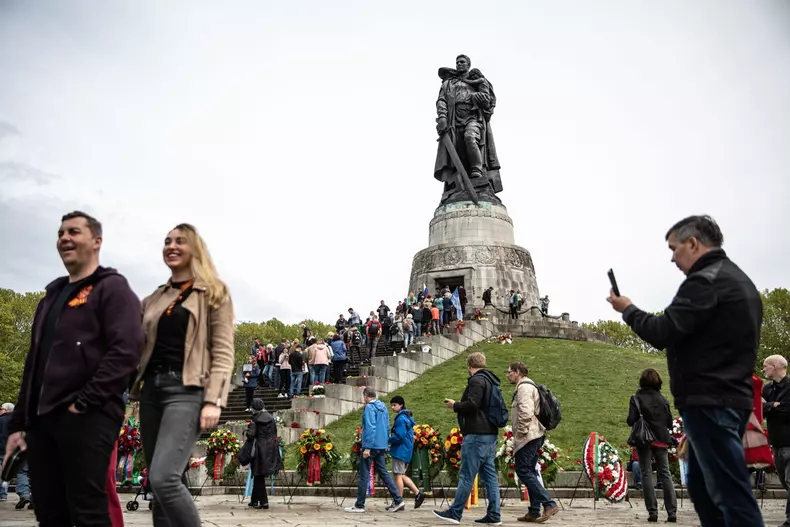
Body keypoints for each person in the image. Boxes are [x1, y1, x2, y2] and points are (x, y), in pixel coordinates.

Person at [608, 215, 763, 527]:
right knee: (704, 489)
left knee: (729, 491)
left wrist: (628, 309)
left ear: (693, 243)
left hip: (711, 400)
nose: (672, 257)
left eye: (675, 248)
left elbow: (664, 330)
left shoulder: (704, 281)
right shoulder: (740, 280)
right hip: (726, 396)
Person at [3, 211, 143, 526]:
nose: (65, 237)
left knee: (88, 508)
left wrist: (86, 401)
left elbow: (127, 350)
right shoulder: (50, 298)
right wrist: (18, 424)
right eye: (61, 232)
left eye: (74, 231)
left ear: (96, 241)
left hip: (88, 415)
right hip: (43, 420)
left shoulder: (113, 289)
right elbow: (33, 364)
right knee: (49, 511)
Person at [131, 223, 234, 527]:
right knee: (158, 485)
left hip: (186, 390)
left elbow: (223, 351)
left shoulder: (213, 292)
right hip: (151, 391)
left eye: (180, 241)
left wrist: (213, 399)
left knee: (164, 478)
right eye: (166, 241)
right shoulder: (154, 298)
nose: (171, 246)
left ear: (195, 249)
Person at [434, 352, 501, 525]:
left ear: (470, 366)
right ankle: (494, 515)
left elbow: (472, 405)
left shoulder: (477, 380)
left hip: (477, 434)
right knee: (490, 476)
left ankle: (455, 513)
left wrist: (455, 405)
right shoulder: (491, 380)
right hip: (490, 434)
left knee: (466, 475)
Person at [506, 361, 558, 523]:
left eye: (509, 372)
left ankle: (549, 504)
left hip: (529, 436)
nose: (508, 375)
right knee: (530, 470)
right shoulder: (527, 386)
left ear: (517, 372)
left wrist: (520, 433)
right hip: (534, 434)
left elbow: (526, 413)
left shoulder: (524, 388)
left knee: (523, 470)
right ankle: (534, 511)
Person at [626, 368, 677, 523]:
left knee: (646, 473)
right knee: (665, 473)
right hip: (661, 439)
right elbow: (669, 422)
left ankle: (653, 511)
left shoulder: (636, 398)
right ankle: (672, 512)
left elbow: (631, 420)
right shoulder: (663, 399)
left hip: (644, 440)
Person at [344, 387, 404, 513]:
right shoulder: (383, 407)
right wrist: (385, 443)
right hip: (381, 445)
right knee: (384, 473)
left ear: (366, 396)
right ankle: (398, 499)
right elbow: (387, 427)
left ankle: (359, 505)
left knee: (363, 475)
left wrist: (367, 447)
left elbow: (370, 427)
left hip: (371, 447)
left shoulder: (370, 408)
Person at [763, 355, 790, 526]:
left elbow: (788, 411)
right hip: (776, 441)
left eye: (765, 366)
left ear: (774, 366)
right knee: (784, 481)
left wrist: (770, 405)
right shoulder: (767, 388)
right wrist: (774, 405)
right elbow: (758, 407)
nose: (763, 369)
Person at [389, 396, 425, 509]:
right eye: (392, 405)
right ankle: (418, 493)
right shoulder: (406, 417)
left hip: (400, 450)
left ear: (401, 405)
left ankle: (399, 501)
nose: (392, 407)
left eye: (394, 405)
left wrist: (389, 439)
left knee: (398, 475)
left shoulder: (400, 419)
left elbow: (399, 436)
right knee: (401, 474)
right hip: (405, 450)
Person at [246, 399, 282, 509]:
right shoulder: (271, 418)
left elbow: (251, 435)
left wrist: (246, 431)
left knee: (258, 474)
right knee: (258, 475)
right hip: (271, 449)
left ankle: (264, 502)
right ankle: (254, 500)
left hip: (259, 449)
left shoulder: (255, 420)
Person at [0, 402, 31, 509]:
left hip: (3, 451)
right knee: (25, 472)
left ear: (6, 410)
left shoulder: (1, 420)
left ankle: (23, 494)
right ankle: (28, 496)